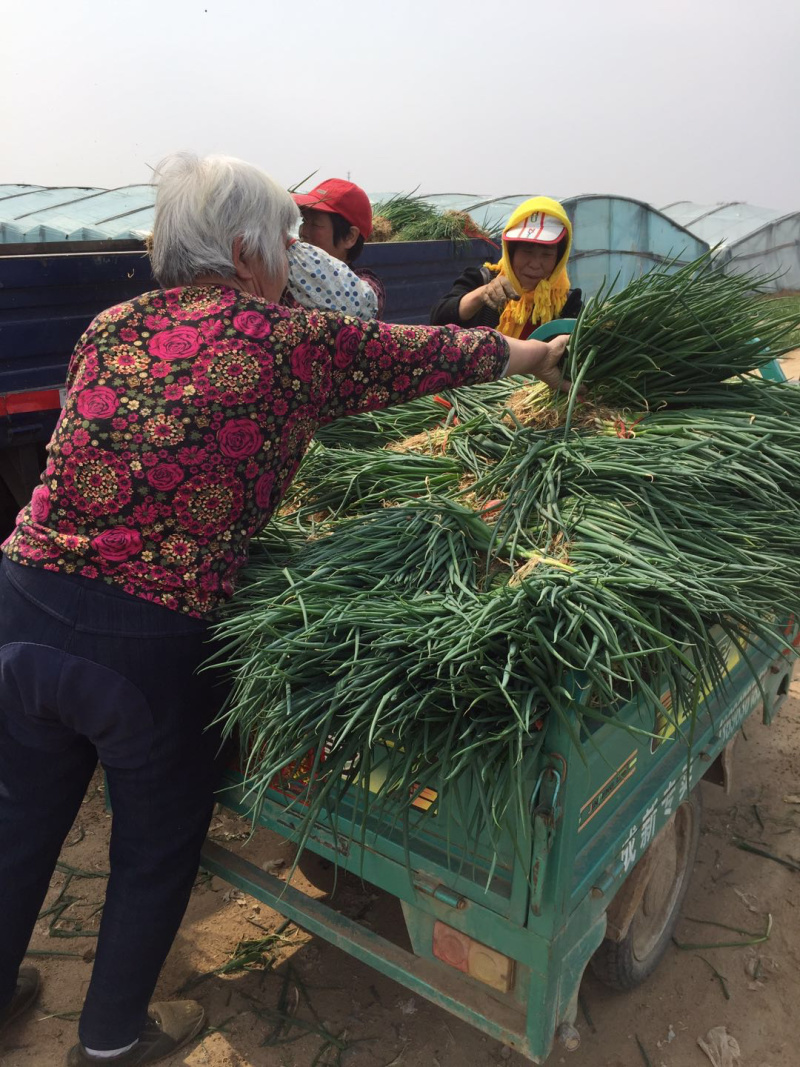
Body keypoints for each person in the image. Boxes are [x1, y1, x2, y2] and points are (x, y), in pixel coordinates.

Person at [0, 152, 571, 1066]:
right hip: (143, 636)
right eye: (282, 240)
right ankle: (108, 1041)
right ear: (242, 249)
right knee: (155, 840)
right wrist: (536, 354)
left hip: (25, 600)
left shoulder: (109, 325)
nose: (288, 256)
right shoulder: (279, 339)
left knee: (20, 811)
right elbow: (426, 354)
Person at [430, 196, 582, 337]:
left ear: (559, 258)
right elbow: (438, 319)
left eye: (547, 254)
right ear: (511, 252)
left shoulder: (566, 303)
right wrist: (482, 295)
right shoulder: (481, 279)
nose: (535, 264)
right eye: (527, 251)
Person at [293, 178, 386, 317]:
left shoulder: (368, 285)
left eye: (315, 224)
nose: (303, 232)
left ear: (350, 236)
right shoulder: (290, 277)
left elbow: (360, 306)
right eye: (305, 221)